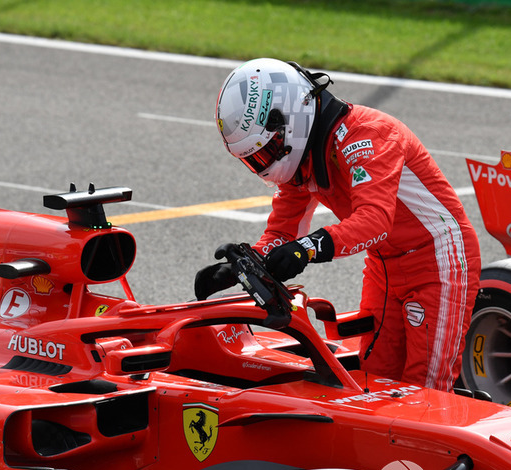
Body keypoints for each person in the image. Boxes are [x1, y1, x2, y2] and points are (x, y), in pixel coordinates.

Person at [195, 58, 481, 392]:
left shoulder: (370, 134)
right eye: (254, 159)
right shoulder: (300, 163)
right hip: (384, 266)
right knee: (376, 381)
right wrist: (244, 265)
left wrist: (308, 248)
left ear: (290, 118)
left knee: (424, 389)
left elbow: (375, 221)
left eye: (267, 150)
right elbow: (284, 233)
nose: (265, 165)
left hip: (439, 261)